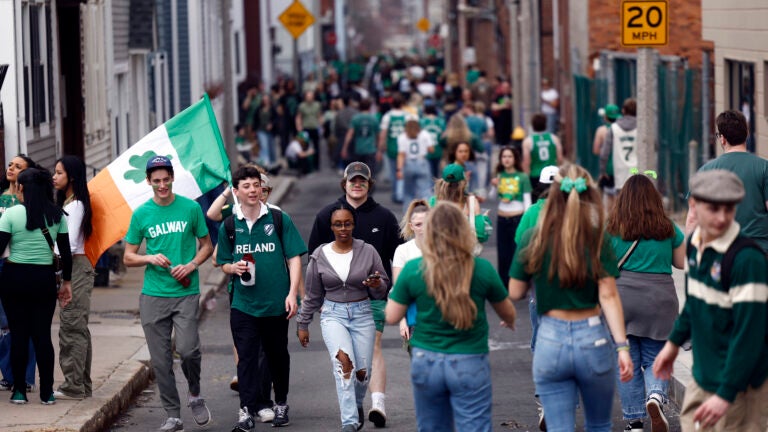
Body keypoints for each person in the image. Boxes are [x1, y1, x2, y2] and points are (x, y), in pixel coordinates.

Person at [508, 164, 633, 431]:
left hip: (550, 339)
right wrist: (622, 347)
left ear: (553, 195)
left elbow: (515, 291)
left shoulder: (535, 238)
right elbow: (609, 296)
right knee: (599, 424)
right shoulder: (597, 240)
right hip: (593, 337)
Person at [385, 202, 517, 431]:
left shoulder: (414, 268)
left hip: (427, 359)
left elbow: (392, 315)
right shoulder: (481, 268)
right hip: (470, 359)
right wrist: (508, 319)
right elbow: (508, 311)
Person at [653, 169, 768, 431]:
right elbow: (693, 303)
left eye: (729, 209)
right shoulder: (694, 245)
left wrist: (726, 394)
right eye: (714, 209)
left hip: (741, 387)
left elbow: (749, 335)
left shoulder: (747, 260)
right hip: (704, 376)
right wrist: (672, 346)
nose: (722, 218)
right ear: (694, 204)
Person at [308, 162, 402, 428]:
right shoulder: (328, 214)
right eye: (353, 181)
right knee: (345, 361)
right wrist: (312, 303)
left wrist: (394, 289)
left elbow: (398, 256)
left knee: (370, 353)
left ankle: (376, 402)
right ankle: (351, 413)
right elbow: (314, 259)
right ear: (345, 184)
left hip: (372, 298)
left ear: (369, 184)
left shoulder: (384, 217)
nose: (357, 184)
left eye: (362, 181)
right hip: (335, 302)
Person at [123, 156, 213, 432]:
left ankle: (195, 393)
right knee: (160, 361)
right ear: (148, 181)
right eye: (156, 181)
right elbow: (128, 257)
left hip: (185, 291)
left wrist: (192, 264)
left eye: (166, 179)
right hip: (153, 294)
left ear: (172, 178)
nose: (162, 185)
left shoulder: (190, 208)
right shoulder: (141, 214)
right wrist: (149, 258)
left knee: (188, 350)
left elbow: (207, 245)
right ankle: (173, 415)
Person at [216, 165, 306, 430]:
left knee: (277, 355)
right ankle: (245, 411)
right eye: (246, 186)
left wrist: (292, 294)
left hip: (276, 302)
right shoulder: (230, 224)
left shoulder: (278, 219)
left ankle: (281, 403)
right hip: (243, 303)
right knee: (245, 357)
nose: (253, 190)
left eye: (256, 185)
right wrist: (233, 268)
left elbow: (295, 258)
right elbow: (222, 262)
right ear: (236, 192)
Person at [297, 204, 389, 432]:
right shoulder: (320, 255)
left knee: (363, 372)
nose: (343, 228)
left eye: (347, 223)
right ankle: (348, 422)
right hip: (333, 315)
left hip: (363, 313)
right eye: (338, 224)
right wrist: (303, 322)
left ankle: (357, 404)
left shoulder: (368, 251)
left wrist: (377, 284)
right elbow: (313, 294)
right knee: (344, 367)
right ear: (331, 227)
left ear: (354, 224)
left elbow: (382, 287)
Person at [605, 173, 685, 432]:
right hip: (659, 301)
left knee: (626, 361)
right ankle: (655, 397)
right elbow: (682, 263)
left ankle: (634, 421)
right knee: (655, 358)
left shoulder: (612, 228)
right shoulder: (668, 227)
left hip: (623, 300)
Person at [0, 168, 73, 405]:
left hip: (14, 278)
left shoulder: (11, 215)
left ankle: (19, 390)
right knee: (42, 336)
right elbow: (66, 255)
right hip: (43, 280)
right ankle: (47, 393)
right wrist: (67, 283)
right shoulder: (57, 215)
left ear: (21, 188)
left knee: (19, 335)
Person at [684, 109, 768, 251]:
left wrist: (693, 253)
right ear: (747, 134)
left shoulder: (706, 171)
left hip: (720, 251)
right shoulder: (764, 167)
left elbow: (693, 217)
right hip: (759, 250)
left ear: (722, 138)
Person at [51, 156, 96, 401]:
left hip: (75, 267)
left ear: (72, 177)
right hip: (75, 266)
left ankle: (73, 386)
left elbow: (68, 244)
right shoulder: (70, 202)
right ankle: (81, 385)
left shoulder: (76, 205)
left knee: (71, 327)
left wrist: (59, 270)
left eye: (59, 173)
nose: (54, 177)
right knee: (78, 328)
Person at [0, 155, 39, 394]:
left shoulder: (29, 200)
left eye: (18, 166)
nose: (11, 168)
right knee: (4, 325)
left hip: (22, 262)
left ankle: (25, 377)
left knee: (25, 322)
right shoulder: (1, 195)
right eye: (10, 165)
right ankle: (8, 374)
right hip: (1, 262)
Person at [491, 146, 531, 286]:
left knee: (517, 252)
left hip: (517, 218)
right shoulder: (499, 175)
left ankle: (519, 284)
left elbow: (527, 200)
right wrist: (494, 185)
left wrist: (526, 220)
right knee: (503, 254)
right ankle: (504, 284)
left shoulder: (522, 176)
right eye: (504, 157)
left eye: (509, 156)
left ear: (515, 159)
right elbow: (492, 197)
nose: (506, 159)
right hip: (502, 218)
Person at [393, 200, 430, 352]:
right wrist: (402, 321)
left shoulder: (444, 248)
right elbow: (398, 290)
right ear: (411, 226)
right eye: (418, 224)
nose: (423, 228)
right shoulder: (403, 251)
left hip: (443, 321)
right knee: (421, 371)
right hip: (414, 319)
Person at [599, 98, 637, 194]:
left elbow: (605, 153)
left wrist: (603, 171)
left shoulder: (613, 128)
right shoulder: (641, 127)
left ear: (623, 110)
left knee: (620, 202)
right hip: (637, 171)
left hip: (619, 173)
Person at [397, 116, 434, 213]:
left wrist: (399, 169)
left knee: (408, 193)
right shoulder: (424, 134)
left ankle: (408, 214)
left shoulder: (402, 137)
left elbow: (401, 154)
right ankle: (428, 212)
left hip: (408, 163)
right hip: (421, 162)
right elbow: (431, 149)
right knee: (425, 190)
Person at [522, 113, 563, 201]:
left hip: (536, 176)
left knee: (537, 201)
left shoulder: (528, 141)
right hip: (552, 174)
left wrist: (527, 179)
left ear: (533, 126)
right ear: (545, 124)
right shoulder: (554, 138)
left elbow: (526, 162)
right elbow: (560, 158)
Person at [379, 93, 408, 204]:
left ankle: (396, 193)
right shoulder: (407, 116)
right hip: (404, 149)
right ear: (402, 104)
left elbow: (383, 133)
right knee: (402, 171)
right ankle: (401, 193)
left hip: (391, 147)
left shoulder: (387, 116)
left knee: (393, 172)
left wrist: (381, 147)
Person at [342, 98, 380, 172]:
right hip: (370, 149)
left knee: (359, 173)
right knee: (370, 172)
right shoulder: (374, 118)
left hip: (359, 149)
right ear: (369, 107)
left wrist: (345, 147)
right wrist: (379, 149)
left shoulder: (355, 119)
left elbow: (350, 134)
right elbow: (378, 135)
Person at [296, 90, 323, 170]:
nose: (309, 98)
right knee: (305, 147)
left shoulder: (317, 105)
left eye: (311, 96)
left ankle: (316, 165)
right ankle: (306, 166)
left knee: (316, 146)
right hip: (306, 127)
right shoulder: (302, 106)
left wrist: (321, 126)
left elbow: (319, 115)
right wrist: (298, 126)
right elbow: (299, 116)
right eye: (308, 97)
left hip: (314, 127)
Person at [420, 101, 446, 179]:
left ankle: (431, 189)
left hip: (426, 150)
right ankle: (436, 188)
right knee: (436, 173)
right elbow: (444, 136)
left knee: (428, 173)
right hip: (438, 149)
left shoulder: (422, 122)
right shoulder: (441, 122)